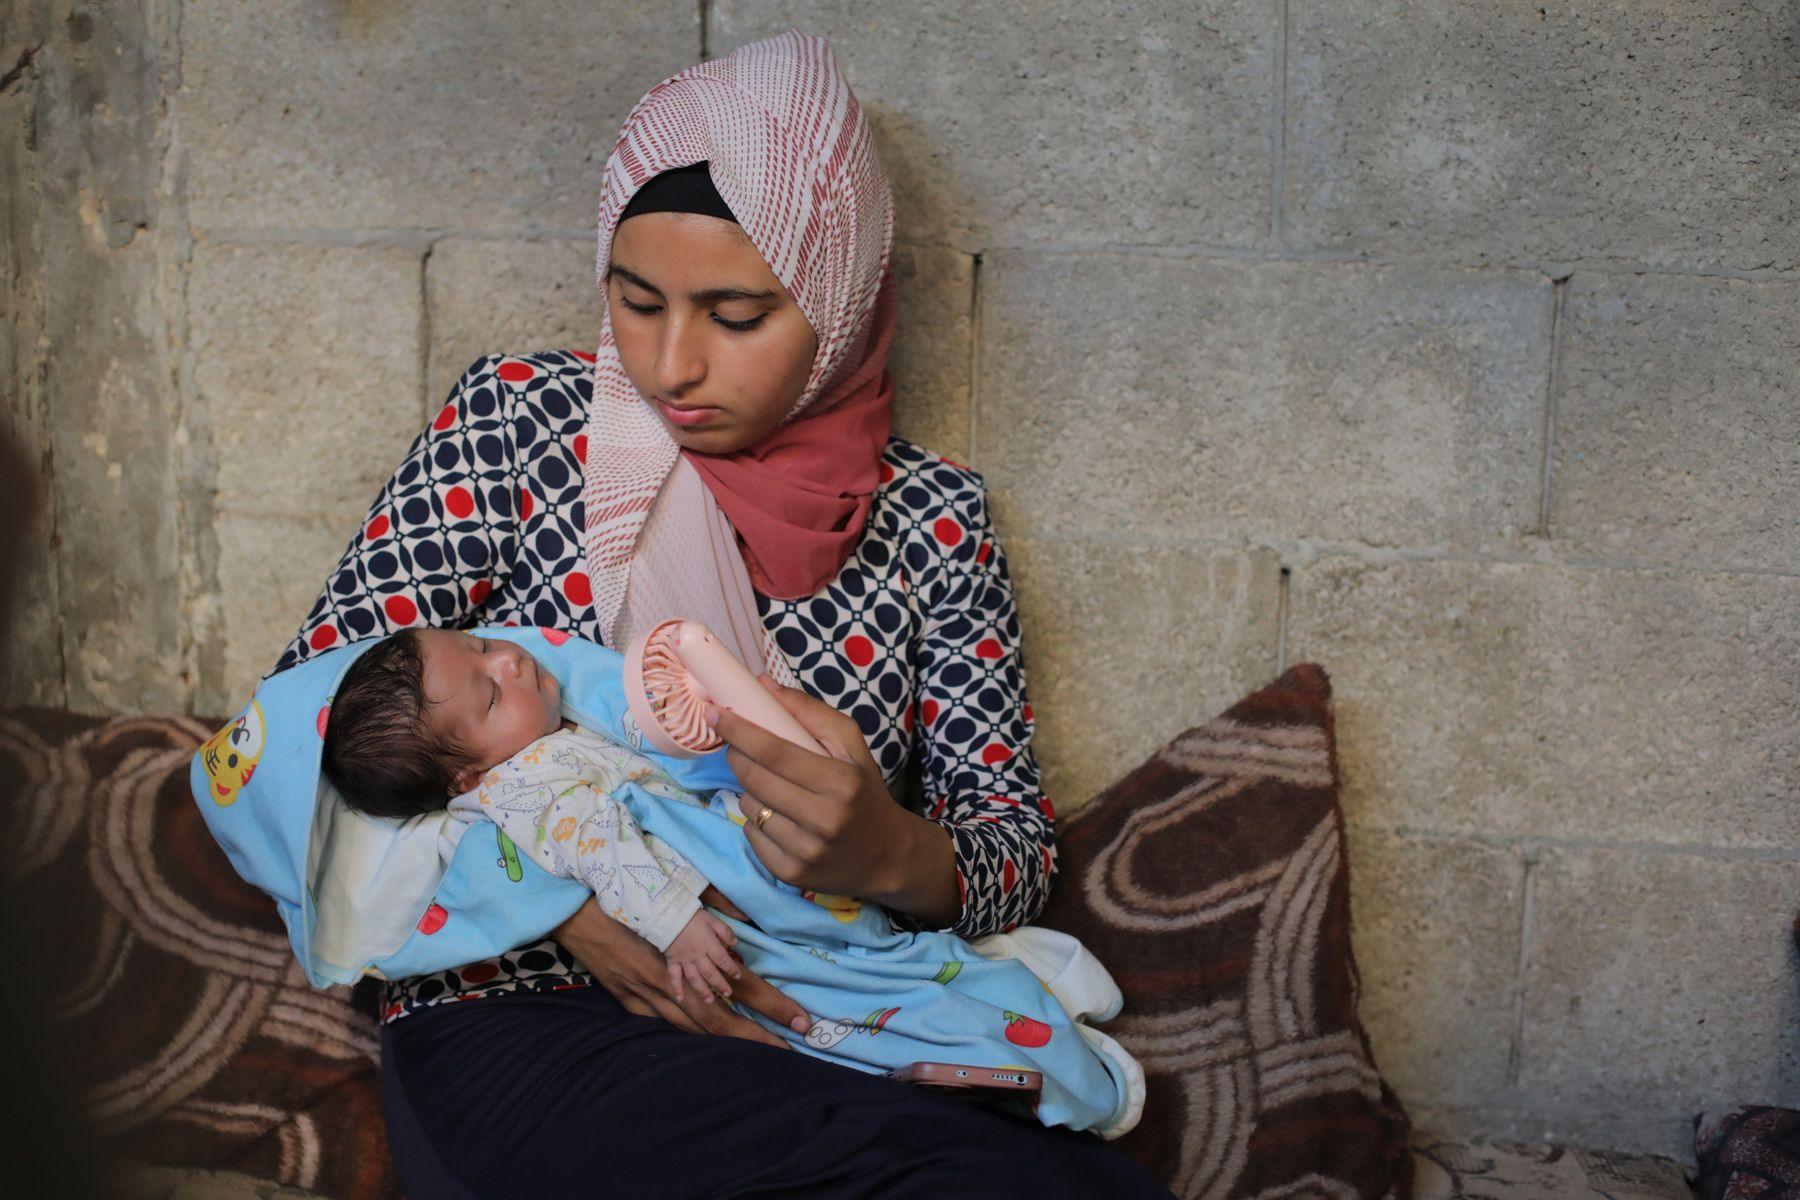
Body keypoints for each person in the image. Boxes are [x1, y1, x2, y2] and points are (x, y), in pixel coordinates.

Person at [272, 30, 1174, 1198]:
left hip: (831, 1018)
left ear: (841, 299)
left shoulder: (935, 525)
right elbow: (307, 730)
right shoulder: (520, 427)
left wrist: (894, 853)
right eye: (635, 301)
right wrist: (561, 910)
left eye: (738, 316)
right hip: (526, 1016)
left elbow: (1011, 852)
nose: (670, 364)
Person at [317, 624, 1147, 1138]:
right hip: (725, 928)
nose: (509, 657)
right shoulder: (524, 787)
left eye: (480, 643)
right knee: (824, 999)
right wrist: (677, 925)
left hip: (804, 878)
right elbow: (606, 851)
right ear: (465, 780)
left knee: (861, 974)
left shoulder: (554, 723)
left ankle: (983, 1003)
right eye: (490, 691)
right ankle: (1041, 1060)